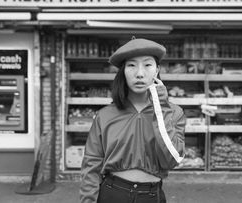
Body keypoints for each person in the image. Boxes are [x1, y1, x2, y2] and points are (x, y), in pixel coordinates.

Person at [80, 37, 186, 203]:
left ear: (157, 70)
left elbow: (172, 159)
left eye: (147, 65)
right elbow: (91, 166)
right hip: (111, 194)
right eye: (131, 65)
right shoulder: (105, 115)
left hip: (152, 196)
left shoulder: (173, 112)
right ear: (123, 71)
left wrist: (160, 107)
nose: (139, 73)